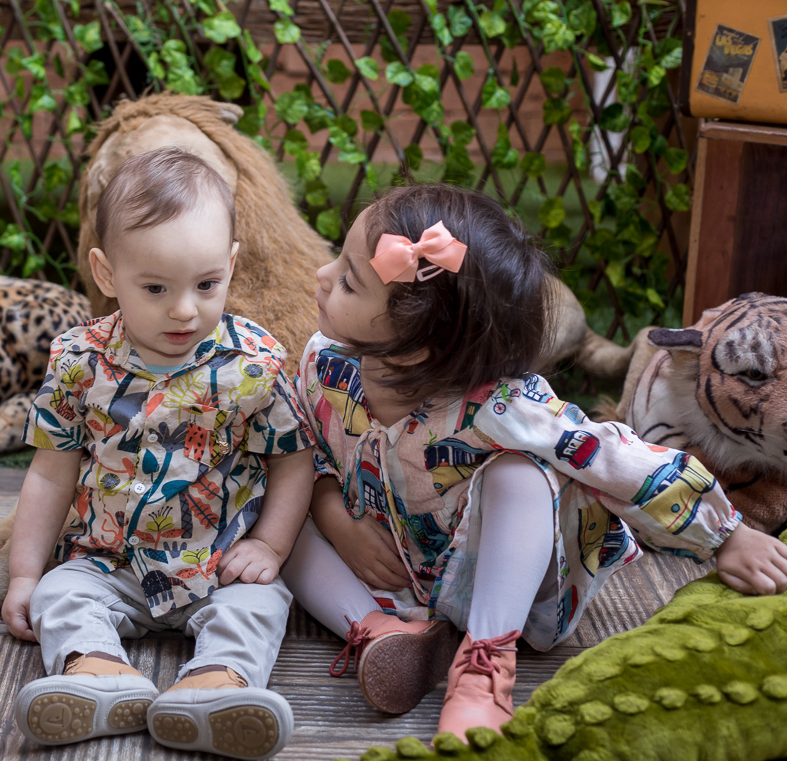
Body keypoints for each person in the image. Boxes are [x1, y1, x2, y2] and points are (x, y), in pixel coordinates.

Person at [279, 184, 787, 739]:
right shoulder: (324, 363)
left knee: (520, 472)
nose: (323, 275)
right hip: (393, 575)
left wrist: (727, 535)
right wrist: (334, 517)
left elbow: (620, 458)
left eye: (349, 279)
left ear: (419, 345)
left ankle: (483, 663)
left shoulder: (505, 407)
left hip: (515, 590)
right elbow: (305, 446)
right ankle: (379, 635)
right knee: (273, 508)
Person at [2, 148, 315, 760]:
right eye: (155, 287)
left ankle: (218, 684)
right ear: (105, 272)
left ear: (230, 264)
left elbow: (292, 460)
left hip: (219, 561)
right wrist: (24, 573)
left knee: (262, 602)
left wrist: (270, 546)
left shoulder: (252, 363)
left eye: (207, 284)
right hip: (109, 559)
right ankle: (99, 675)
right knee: (59, 596)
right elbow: (50, 473)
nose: (183, 309)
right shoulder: (79, 362)